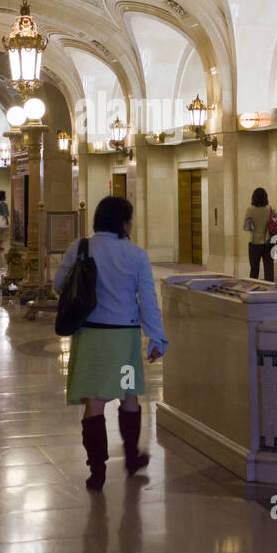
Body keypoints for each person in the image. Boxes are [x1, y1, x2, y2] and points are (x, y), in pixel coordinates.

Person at [53, 196, 167, 492]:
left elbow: (58, 285)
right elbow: (148, 301)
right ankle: (131, 458)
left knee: (94, 401)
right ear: (124, 221)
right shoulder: (136, 255)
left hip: (91, 336)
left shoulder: (80, 248)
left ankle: (97, 471)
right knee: (129, 395)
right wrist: (157, 338)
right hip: (124, 338)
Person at [244, 187, 275, 281]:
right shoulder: (271, 209)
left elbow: (247, 227)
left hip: (254, 243)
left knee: (254, 270)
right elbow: (276, 224)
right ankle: (270, 291)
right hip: (268, 243)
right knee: (269, 269)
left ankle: (253, 290)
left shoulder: (250, 210)